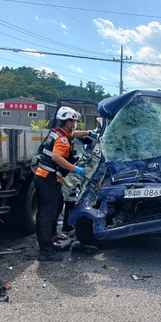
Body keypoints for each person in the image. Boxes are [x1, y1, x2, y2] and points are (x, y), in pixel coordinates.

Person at [34, 107, 96, 261]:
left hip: (47, 178)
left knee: (52, 212)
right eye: (74, 122)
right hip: (48, 179)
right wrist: (76, 169)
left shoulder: (61, 133)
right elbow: (56, 157)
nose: (75, 124)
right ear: (68, 122)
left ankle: (51, 239)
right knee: (47, 215)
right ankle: (45, 251)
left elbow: (74, 134)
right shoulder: (62, 139)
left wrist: (89, 133)